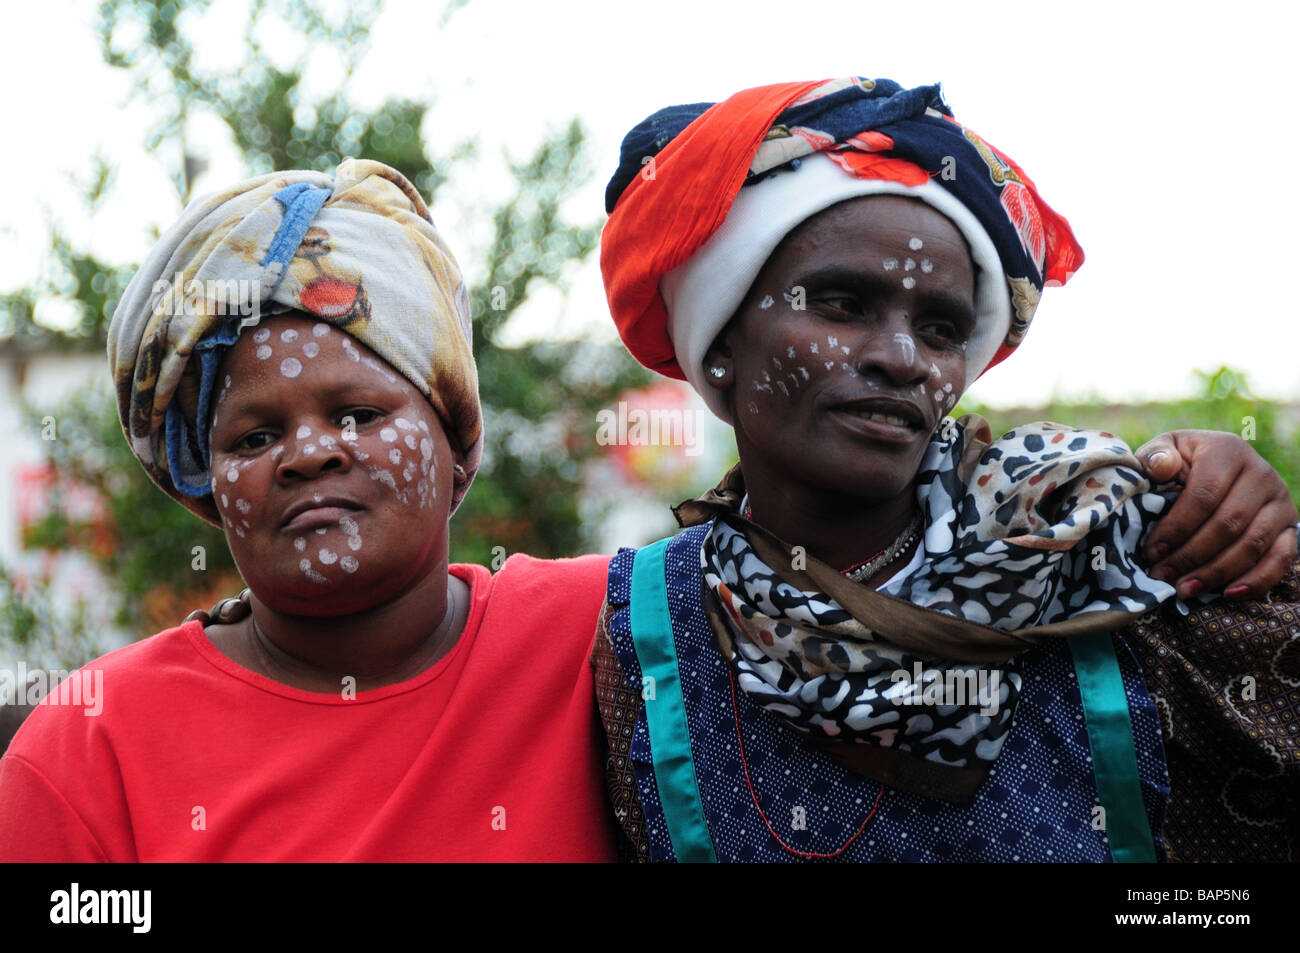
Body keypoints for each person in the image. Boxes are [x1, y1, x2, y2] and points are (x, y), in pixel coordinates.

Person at [594, 76, 1300, 862]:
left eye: (940, 329)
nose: (901, 359)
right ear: (720, 348)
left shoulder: (1101, 545)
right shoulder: (643, 632)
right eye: (841, 305)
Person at [0, 159, 617, 861]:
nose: (309, 453)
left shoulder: (606, 633)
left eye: (358, 412)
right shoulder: (86, 749)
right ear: (209, 483)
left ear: (455, 437)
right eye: (255, 437)